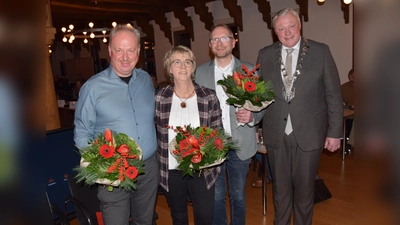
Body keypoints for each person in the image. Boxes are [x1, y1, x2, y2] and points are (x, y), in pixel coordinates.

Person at [256, 8, 343, 225]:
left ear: (300, 25)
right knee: (280, 192)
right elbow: (259, 95)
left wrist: (335, 132)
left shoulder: (320, 51)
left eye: (291, 26)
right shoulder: (265, 54)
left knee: (305, 195)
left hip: (310, 133)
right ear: (275, 32)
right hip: (276, 133)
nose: (287, 33)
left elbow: (334, 94)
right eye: (281, 29)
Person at [74, 24, 159, 225]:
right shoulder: (93, 87)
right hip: (114, 170)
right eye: (119, 50)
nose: (125, 57)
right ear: (110, 51)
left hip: (148, 169)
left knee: (144, 221)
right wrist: (101, 166)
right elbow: (82, 132)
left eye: (130, 50)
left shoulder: (146, 80)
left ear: (138, 52)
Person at [195, 24, 264, 225]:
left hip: (240, 143)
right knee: (216, 197)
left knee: (238, 195)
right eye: (214, 39)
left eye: (224, 38)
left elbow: (263, 105)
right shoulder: (200, 73)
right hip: (212, 146)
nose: (219, 43)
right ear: (210, 45)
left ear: (233, 42)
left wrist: (253, 117)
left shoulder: (249, 70)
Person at [155, 45, 223, 225]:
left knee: (204, 217)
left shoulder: (208, 97)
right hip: (172, 168)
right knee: (178, 217)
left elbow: (218, 134)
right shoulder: (160, 97)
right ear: (169, 68)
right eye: (176, 62)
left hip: (202, 169)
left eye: (187, 62)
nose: (183, 67)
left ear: (193, 67)